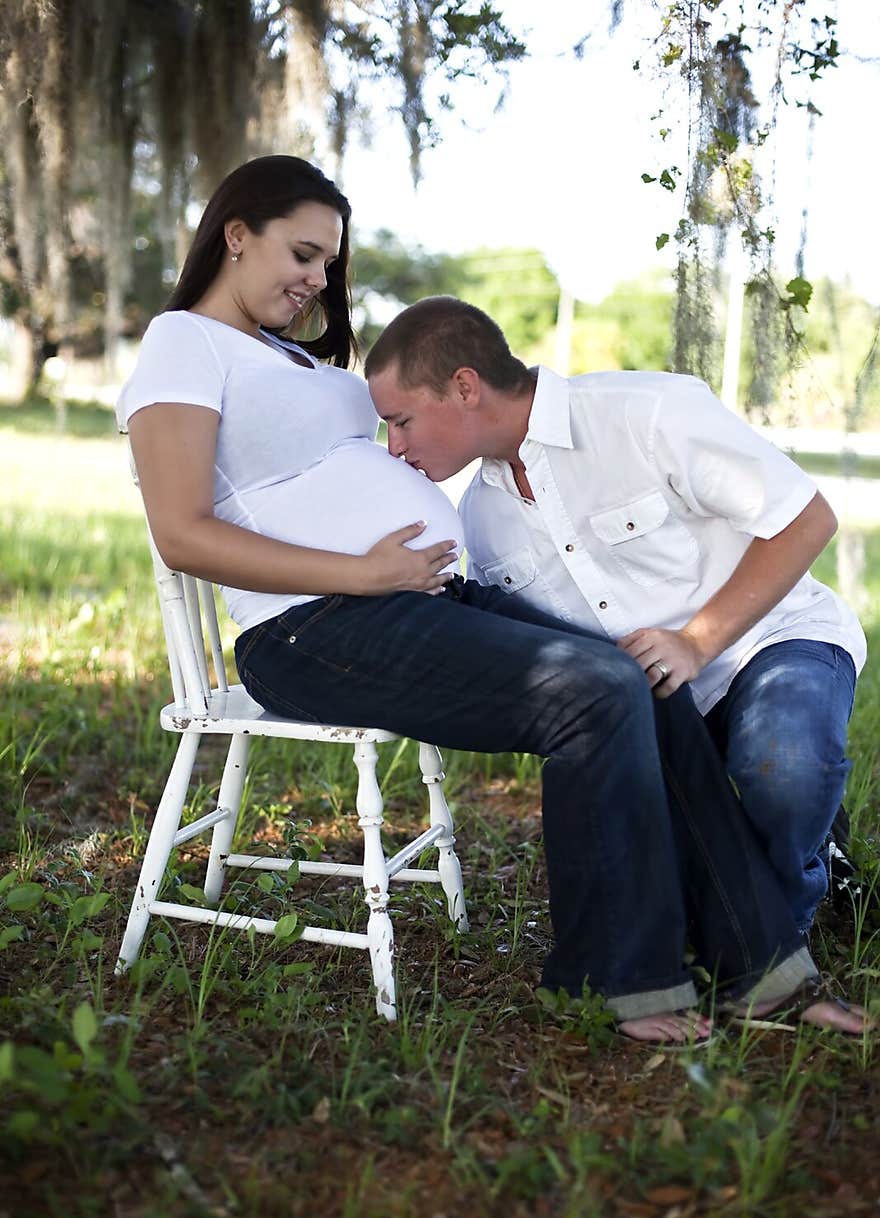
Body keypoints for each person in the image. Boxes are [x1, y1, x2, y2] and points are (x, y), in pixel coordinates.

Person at [117, 155, 867, 1042]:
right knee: (592, 694)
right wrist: (363, 571)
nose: (320, 280)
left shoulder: (291, 356)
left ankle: (763, 974)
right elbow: (181, 532)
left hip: (418, 601)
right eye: (304, 253)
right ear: (236, 234)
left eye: (329, 263)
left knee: (639, 676)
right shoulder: (182, 343)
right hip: (313, 629)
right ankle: (619, 981)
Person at [364, 296, 867, 944]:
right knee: (675, 884)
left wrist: (696, 641)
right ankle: (807, 842)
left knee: (783, 762)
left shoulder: (645, 413)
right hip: (662, 710)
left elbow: (807, 518)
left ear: (464, 386)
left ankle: (784, 929)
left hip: (770, 641)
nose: (393, 446)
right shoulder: (480, 520)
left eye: (400, 421)